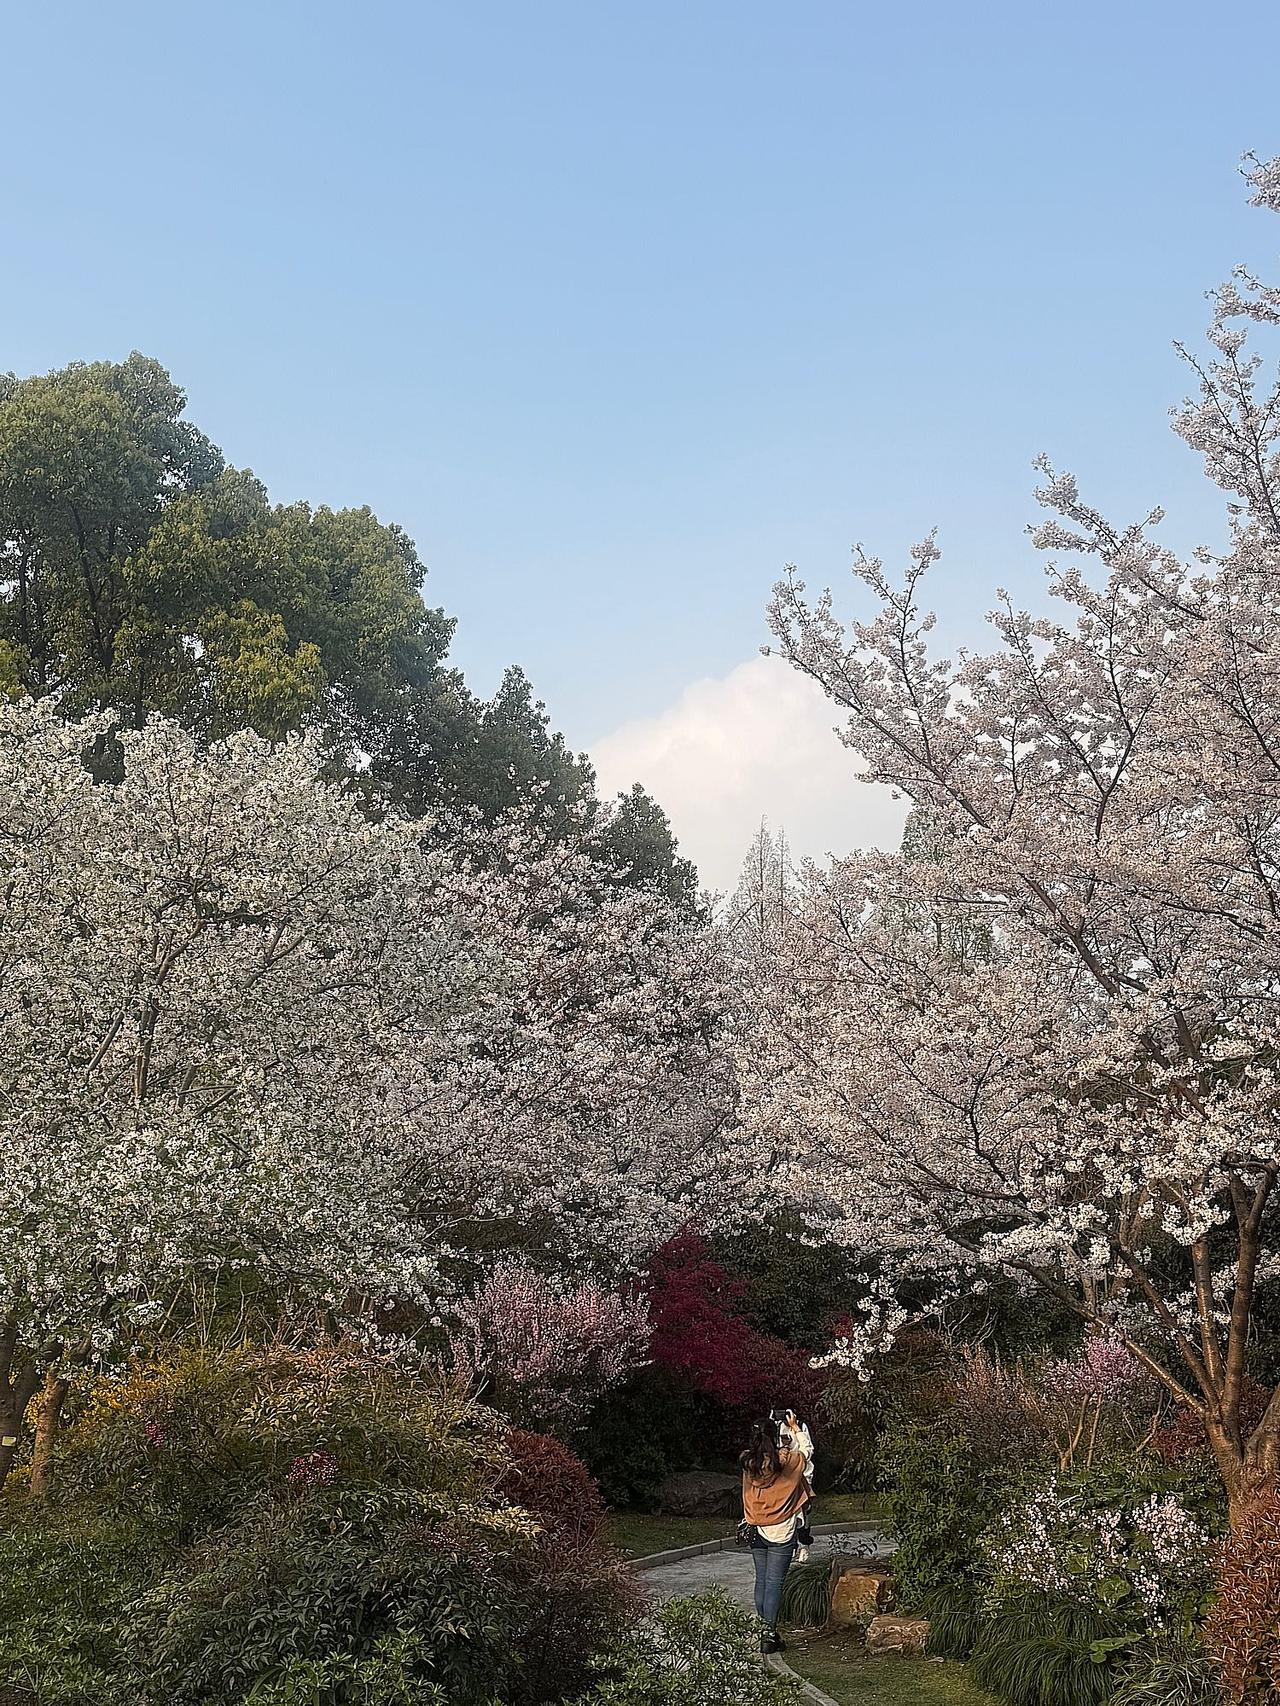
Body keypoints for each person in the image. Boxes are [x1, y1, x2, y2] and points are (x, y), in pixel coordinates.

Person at [739, 1408, 814, 1652]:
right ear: (774, 1436)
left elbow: (763, 1456)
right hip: (781, 1528)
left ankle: (764, 1631)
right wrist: (793, 1429)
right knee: (774, 1582)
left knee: (761, 1580)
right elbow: (806, 1452)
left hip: (755, 1528)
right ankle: (769, 1636)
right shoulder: (787, 1461)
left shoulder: (748, 1463)